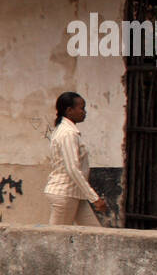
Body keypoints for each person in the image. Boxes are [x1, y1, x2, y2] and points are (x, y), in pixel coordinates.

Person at [43, 91, 108, 226]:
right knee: (56, 238)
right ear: (69, 110)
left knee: (93, 233)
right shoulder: (68, 133)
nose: (84, 112)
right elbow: (72, 168)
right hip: (65, 193)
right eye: (81, 108)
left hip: (75, 193)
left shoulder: (67, 131)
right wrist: (94, 198)